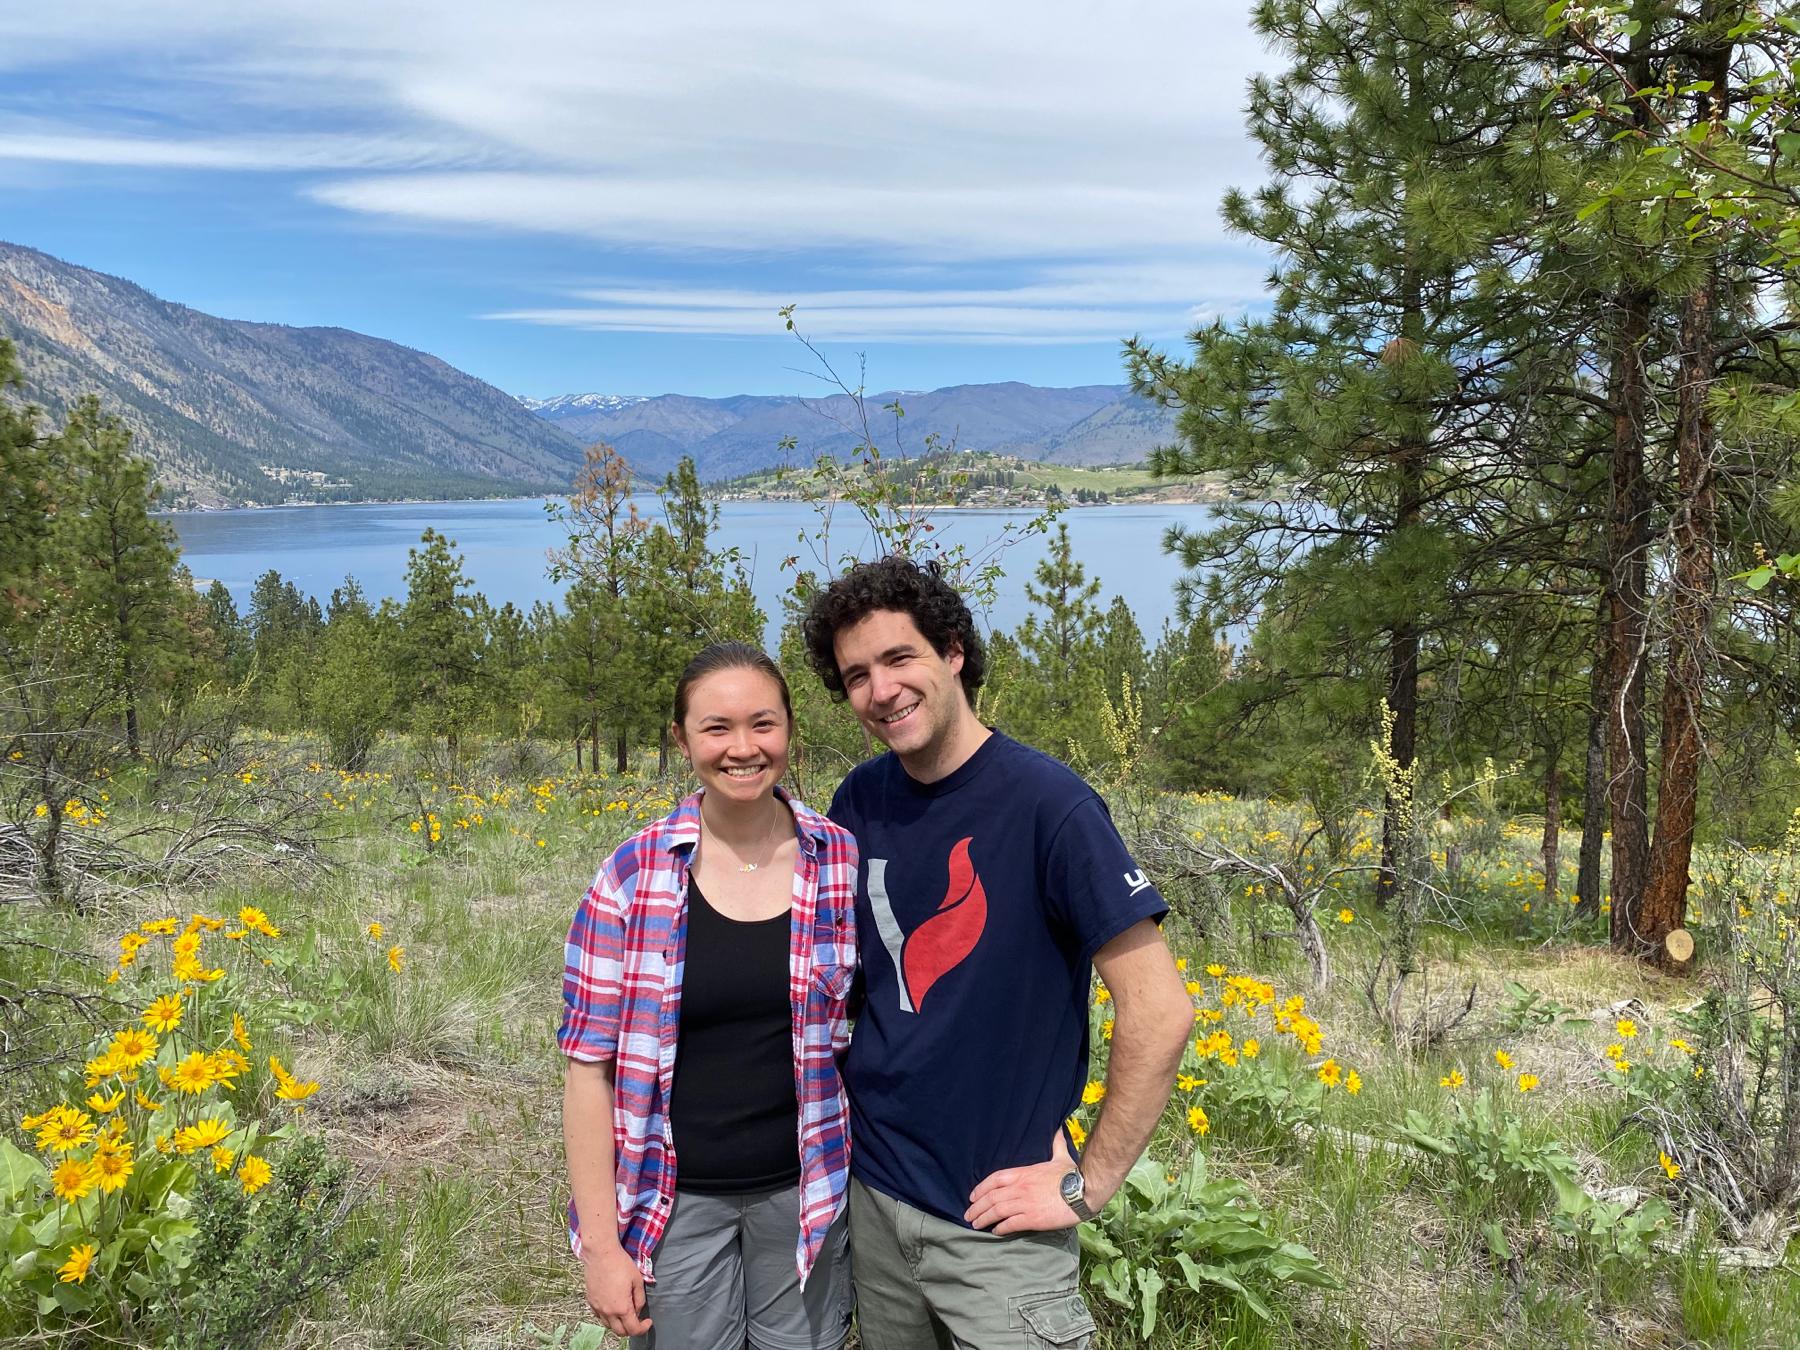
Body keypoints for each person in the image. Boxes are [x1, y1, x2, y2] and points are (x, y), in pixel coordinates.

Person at [801, 556, 1192, 1350]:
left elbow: (1161, 1008)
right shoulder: (859, 800)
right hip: (874, 1197)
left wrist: (1091, 1184)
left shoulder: (1050, 806)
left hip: (997, 1221)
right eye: (856, 675)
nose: (881, 691)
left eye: (900, 657)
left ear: (952, 652)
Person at [558, 642, 858, 1350]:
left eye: (763, 724)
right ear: (682, 739)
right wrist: (602, 1248)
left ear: (790, 730)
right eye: (716, 728)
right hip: (674, 1200)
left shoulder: (839, 859)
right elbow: (587, 1071)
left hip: (807, 1193)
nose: (743, 749)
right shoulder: (633, 875)